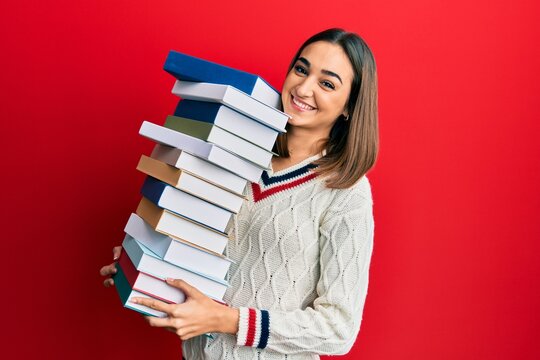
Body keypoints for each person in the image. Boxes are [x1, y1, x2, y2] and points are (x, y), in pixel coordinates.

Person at [100, 28, 378, 359]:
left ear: (349, 106)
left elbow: (338, 329)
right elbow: (201, 258)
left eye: (327, 83)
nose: (303, 88)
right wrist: (143, 267)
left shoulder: (347, 192)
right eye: (301, 69)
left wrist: (228, 320)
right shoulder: (234, 154)